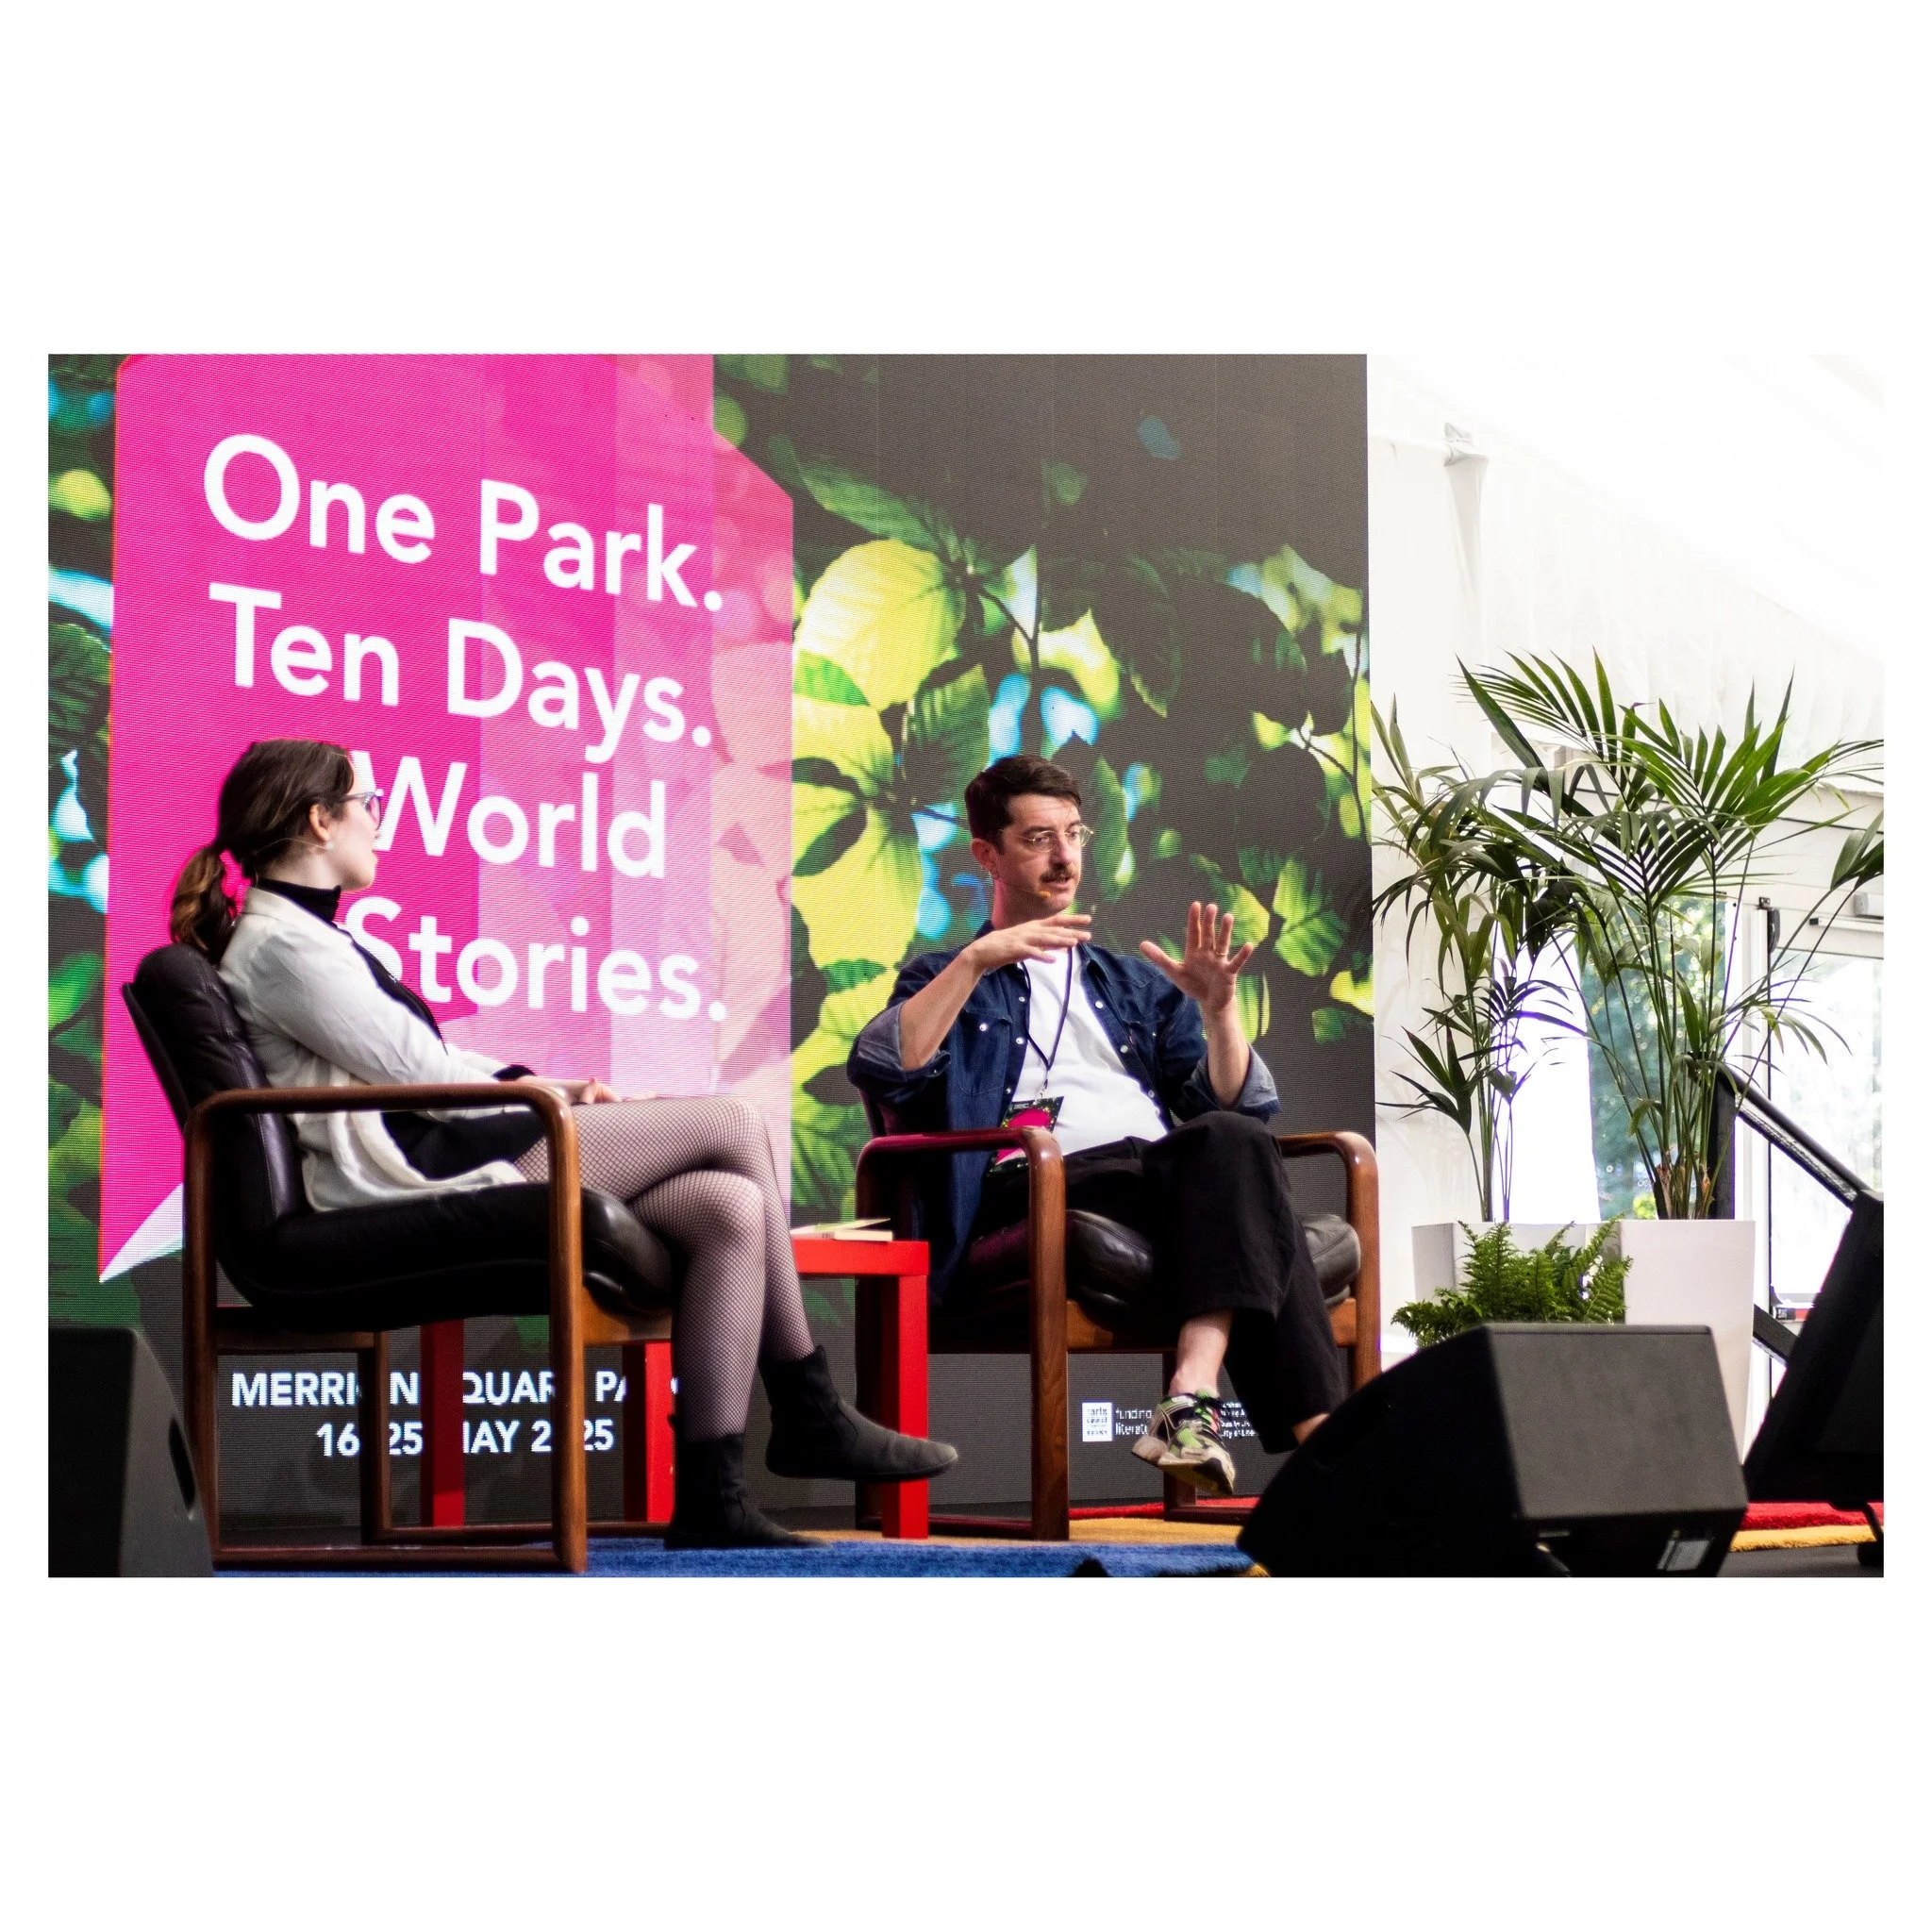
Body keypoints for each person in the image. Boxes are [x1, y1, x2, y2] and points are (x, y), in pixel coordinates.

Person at [171, 738, 955, 1548]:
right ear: (318, 819)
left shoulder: (323, 939)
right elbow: (416, 1067)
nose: (380, 823)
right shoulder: (281, 947)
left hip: (436, 1143)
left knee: (729, 1204)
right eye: (370, 804)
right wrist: (549, 1097)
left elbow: (433, 1063)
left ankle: (714, 1496)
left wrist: (565, 1090)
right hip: (407, 1175)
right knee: (733, 1125)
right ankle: (806, 1406)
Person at [847, 753, 1346, 1493]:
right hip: (1039, 1183)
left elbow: (1238, 1105)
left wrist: (1219, 1012)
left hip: (1160, 1176)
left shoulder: (1131, 981)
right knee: (1244, 1180)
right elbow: (889, 1067)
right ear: (988, 854)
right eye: (1038, 839)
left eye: (1075, 835)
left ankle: (1195, 1396)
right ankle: (1330, 1453)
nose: (1065, 857)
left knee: (1234, 1141)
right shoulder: (942, 976)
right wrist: (977, 961)